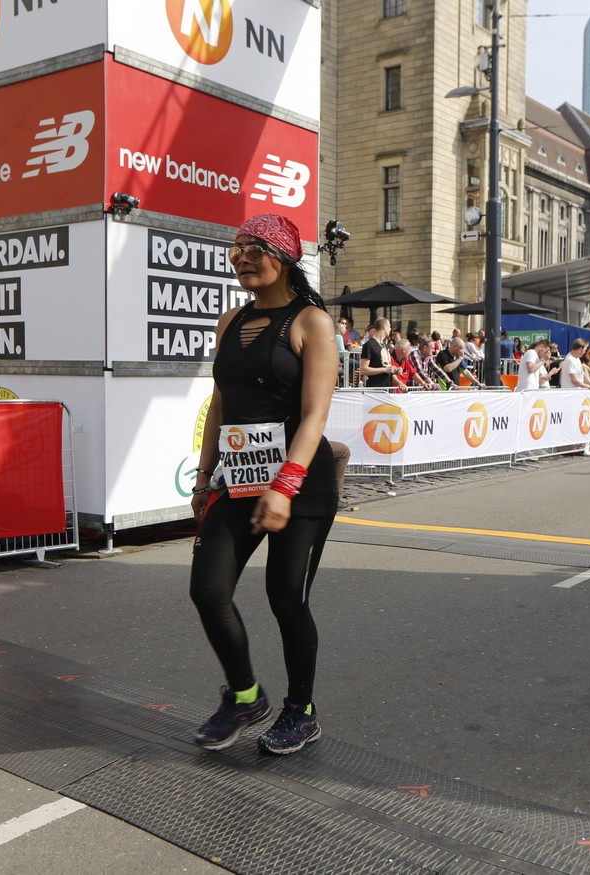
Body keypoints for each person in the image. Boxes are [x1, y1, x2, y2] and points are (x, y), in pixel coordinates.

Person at [188, 214, 337, 756]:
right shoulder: (230, 321)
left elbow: (315, 414)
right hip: (239, 478)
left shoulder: (312, 323)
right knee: (208, 590)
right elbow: (221, 404)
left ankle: (302, 710)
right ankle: (245, 696)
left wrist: (284, 486)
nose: (242, 258)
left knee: (286, 597)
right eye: (237, 248)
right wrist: (204, 478)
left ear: (286, 257)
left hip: (301, 482)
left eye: (256, 248)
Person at [357, 317, 397, 389]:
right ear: (383, 327)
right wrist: (384, 370)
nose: (390, 329)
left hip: (387, 388)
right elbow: (363, 369)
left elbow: (384, 366)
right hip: (375, 389)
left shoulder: (383, 345)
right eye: (389, 326)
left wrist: (394, 370)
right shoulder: (369, 345)